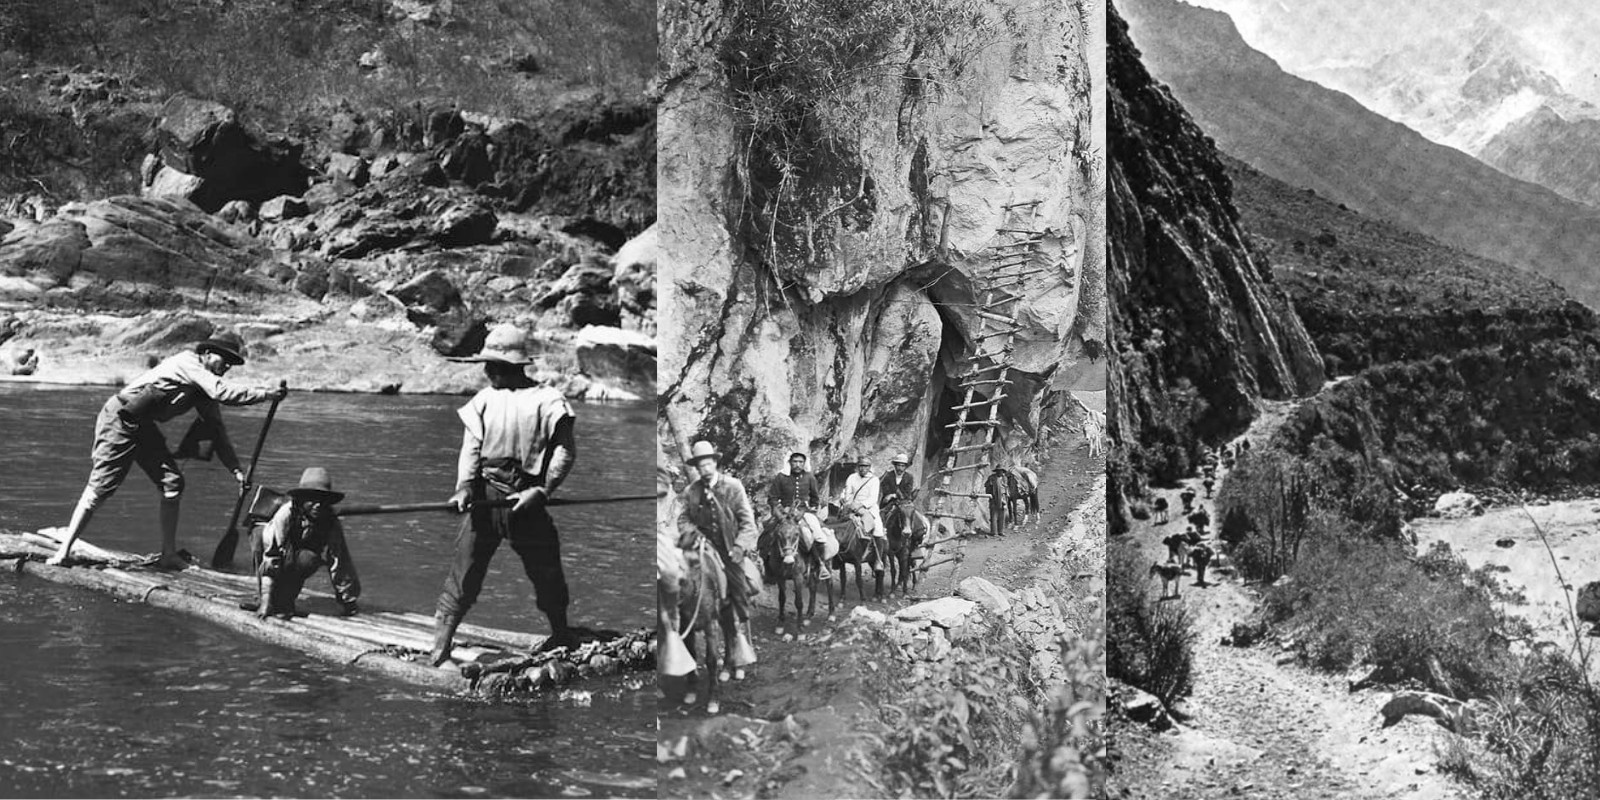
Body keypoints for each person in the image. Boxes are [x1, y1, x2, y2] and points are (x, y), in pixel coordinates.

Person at [47, 333, 285, 569]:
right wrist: (266, 394)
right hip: (119, 418)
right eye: (225, 360)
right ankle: (64, 551)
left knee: (173, 483)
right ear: (207, 353)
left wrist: (236, 470)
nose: (227, 367)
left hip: (143, 425)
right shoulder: (188, 363)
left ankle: (168, 555)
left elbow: (217, 431)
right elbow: (223, 392)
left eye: (231, 364)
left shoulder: (204, 387)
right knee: (101, 487)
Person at [431, 325, 577, 666]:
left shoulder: (548, 399)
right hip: (485, 499)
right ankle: (440, 650)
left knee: (547, 573)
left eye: (492, 365)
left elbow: (565, 451)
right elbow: (471, 449)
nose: (486, 371)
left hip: (527, 501)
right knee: (464, 574)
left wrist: (543, 490)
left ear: (508, 366)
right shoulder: (483, 400)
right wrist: (463, 488)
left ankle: (561, 635)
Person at [676, 440, 759, 674]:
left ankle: (739, 652)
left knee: (738, 594)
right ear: (696, 467)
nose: (704, 468)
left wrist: (739, 547)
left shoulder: (733, 486)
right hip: (700, 547)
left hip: (728, 549)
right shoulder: (691, 491)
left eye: (708, 463)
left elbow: (748, 523)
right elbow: (683, 519)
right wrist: (693, 533)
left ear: (715, 463)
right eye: (700, 465)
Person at [250, 467, 360, 619]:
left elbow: (339, 561)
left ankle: (286, 600)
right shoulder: (286, 513)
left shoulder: (330, 521)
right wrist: (265, 600)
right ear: (302, 499)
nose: (318, 505)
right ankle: (263, 596)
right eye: (312, 499)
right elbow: (271, 555)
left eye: (323, 500)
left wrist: (348, 601)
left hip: (297, 555)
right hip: (272, 548)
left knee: (308, 560)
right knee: (259, 538)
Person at [767, 451, 833, 580]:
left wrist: (810, 509)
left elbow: (815, 498)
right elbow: (772, 497)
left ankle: (820, 565)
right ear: (790, 463)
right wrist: (780, 509)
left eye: (800, 462)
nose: (797, 464)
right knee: (767, 532)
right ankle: (767, 567)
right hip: (784, 512)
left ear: (804, 464)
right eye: (795, 462)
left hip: (804, 512)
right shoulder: (781, 477)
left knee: (818, 535)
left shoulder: (809, 477)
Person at [838, 454, 885, 561]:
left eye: (866, 466)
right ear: (857, 466)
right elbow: (848, 492)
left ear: (869, 467)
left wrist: (860, 505)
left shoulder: (874, 480)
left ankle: (878, 559)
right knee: (839, 524)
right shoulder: (852, 477)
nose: (863, 469)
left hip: (869, 508)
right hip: (852, 506)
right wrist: (847, 501)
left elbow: (873, 498)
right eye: (861, 466)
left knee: (878, 529)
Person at [985, 464, 1010, 537]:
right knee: (994, 515)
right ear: (996, 471)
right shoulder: (991, 478)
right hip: (994, 498)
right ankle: (994, 532)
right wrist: (991, 495)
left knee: (1002, 515)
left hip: (1003, 498)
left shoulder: (1005, 478)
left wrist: (1006, 495)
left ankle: (1001, 531)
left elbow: (1006, 488)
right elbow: (987, 487)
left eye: (1001, 471)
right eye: (998, 471)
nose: (1000, 472)